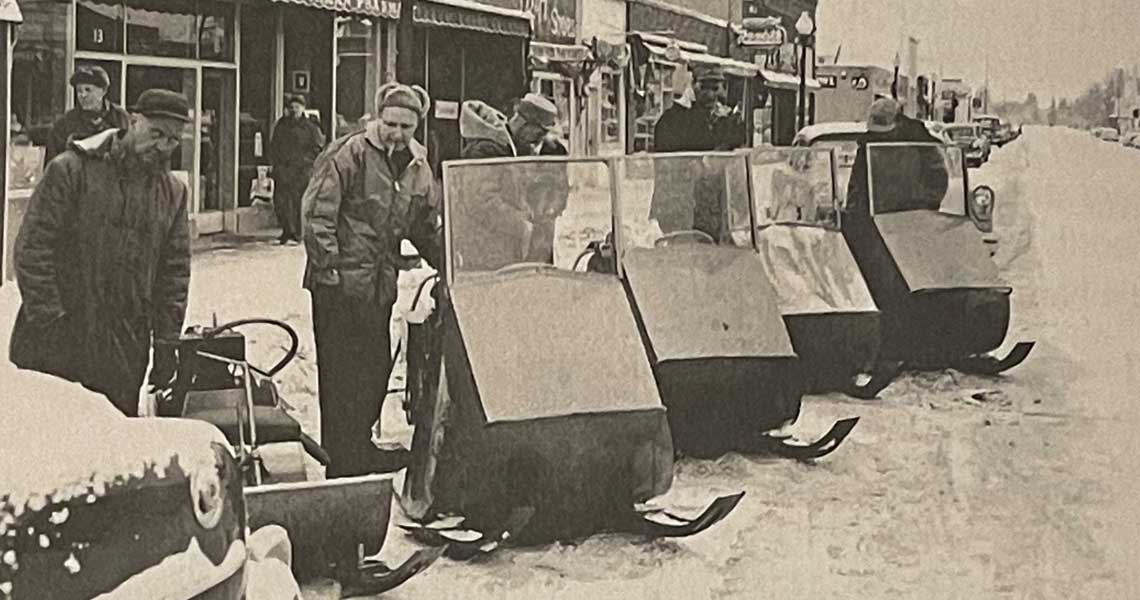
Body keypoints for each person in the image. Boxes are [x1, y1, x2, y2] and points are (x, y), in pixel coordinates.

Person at [10, 89, 193, 416]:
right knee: (51, 448)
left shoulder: (173, 193)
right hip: (57, 342)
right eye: (156, 134)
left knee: (112, 452)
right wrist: (52, 324)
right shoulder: (71, 170)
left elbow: (173, 276)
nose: (163, 146)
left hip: (123, 349)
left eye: (173, 140)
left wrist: (166, 343)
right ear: (133, 122)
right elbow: (32, 251)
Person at [302, 82, 440, 477]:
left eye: (407, 127)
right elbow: (316, 213)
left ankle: (359, 445)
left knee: (375, 366)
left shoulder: (417, 166)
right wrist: (327, 268)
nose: (397, 134)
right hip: (339, 285)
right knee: (340, 374)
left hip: (378, 285)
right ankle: (340, 460)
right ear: (379, 118)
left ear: (417, 128)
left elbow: (425, 224)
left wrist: (449, 262)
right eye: (392, 123)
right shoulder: (350, 153)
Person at [455, 95, 566, 268]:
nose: (539, 140)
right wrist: (521, 225)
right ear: (524, 123)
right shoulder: (487, 150)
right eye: (538, 132)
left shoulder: (515, 148)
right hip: (485, 249)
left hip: (506, 245)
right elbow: (481, 201)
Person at [652, 64, 746, 153]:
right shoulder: (672, 120)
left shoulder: (723, 122)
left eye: (715, 88)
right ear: (692, 84)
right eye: (704, 88)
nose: (710, 95)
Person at [45, 65, 131, 163]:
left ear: (103, 91)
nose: (83, 95)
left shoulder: (120, 118)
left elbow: (131, 155)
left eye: (88, 90)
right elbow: (53, 166)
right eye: (79, 91)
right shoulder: (64, 124)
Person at [269, 93, 325, 244]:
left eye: (297, 107)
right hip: (284, 169)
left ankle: (298, 233)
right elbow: (275, 145)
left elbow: (318, 148)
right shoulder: (282, 125)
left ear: (303, 108)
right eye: (292, 107)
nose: (294, 110)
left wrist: (307, 162)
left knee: (299, 201)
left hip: (302, 170)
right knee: (282, 201)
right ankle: (287, 230)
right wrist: (276, 164)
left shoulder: (310, 127)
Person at [460, 92, 558, 158]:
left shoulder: (515, 147)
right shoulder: (485, 149)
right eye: (540, 132)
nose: (540, 138)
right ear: (523, 121)